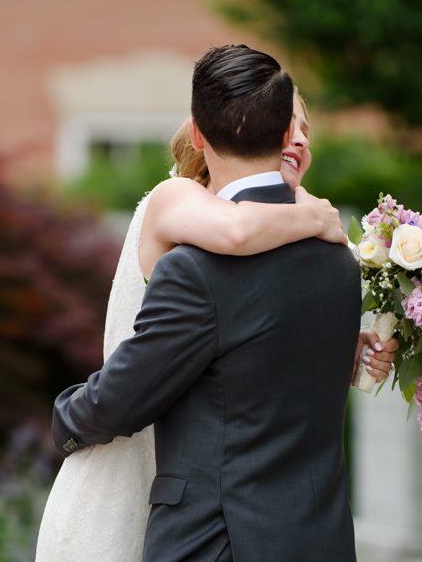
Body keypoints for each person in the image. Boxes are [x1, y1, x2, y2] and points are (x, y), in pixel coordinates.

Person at [49, 44, 396, 562]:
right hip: (318, 539)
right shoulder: (339, 260)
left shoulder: (194, 269)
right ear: (282, 135)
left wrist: (65, 416)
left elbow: (125, 397)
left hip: (217, 542)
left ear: (197, 132)